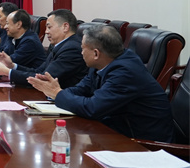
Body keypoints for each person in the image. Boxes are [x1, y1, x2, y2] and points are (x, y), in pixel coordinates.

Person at [28, 24, 174, 142]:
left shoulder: (126, 72)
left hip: (143, 143)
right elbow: (81, 89)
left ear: (96, 53)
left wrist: (58, 93)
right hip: (115, 131)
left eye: (83, 49)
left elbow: (92, 108)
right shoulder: (102, 63)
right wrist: (54, 92)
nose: (81, 53)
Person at [0, 9, 88, 88]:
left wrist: (7, 72)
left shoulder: (71, 49)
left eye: (49, 27)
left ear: (65, 27)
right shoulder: (61, 45)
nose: (46, 32)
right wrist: (12, 66)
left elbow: (44, 78)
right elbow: (38, 71)